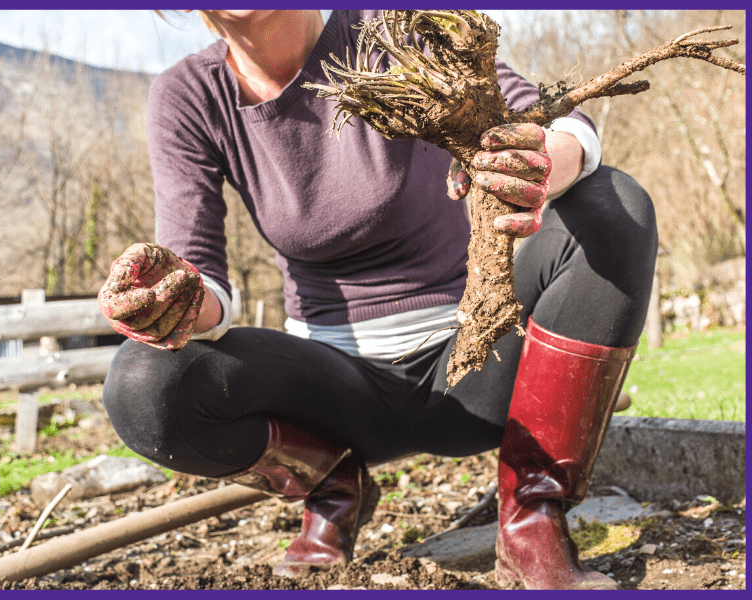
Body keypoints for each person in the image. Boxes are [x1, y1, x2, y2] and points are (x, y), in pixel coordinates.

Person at [99, 10, 657, 589]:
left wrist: (546, 158)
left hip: (474, 362)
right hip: (334, 399)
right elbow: (204, 279)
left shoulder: (392, 29)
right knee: (143, 382)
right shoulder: (189, 96)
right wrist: (177, 300)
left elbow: (553, 119)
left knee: (614, 204)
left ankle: (531, 522)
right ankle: (331, 483)